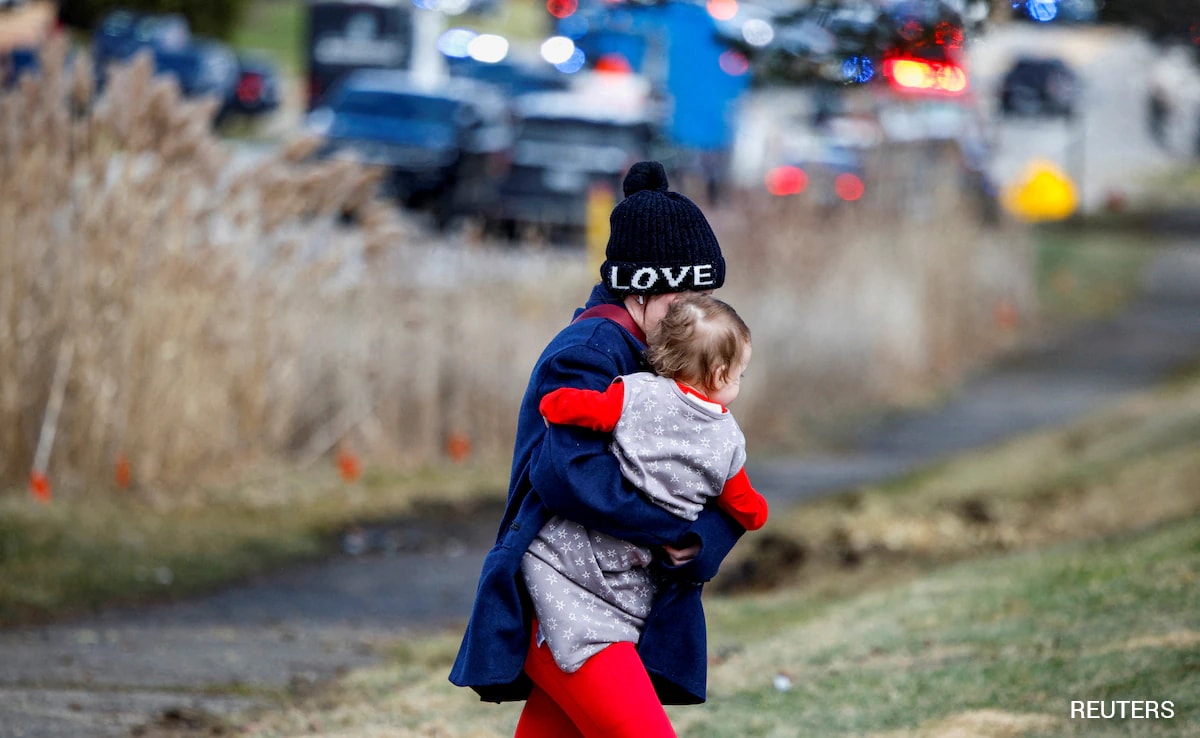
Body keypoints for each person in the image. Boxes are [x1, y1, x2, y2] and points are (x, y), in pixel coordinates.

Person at [450, 161, 751, 738]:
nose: (699, 312)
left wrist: (701, 540)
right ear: (641, 289)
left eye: (704, 295)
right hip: (562, 598)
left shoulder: (668, 355)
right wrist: (670, 527)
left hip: (618, 599)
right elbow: (566, 472)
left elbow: (710, 470)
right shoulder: (587, 352)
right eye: (684, 295)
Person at [526, 292, 768, 676]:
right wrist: (758, 512)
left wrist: (554, 403)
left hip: (575, 557)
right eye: (739, 375)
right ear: (721, 374)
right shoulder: (728, 440)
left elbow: (593, 410)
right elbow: (743, 503)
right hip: (627, 582)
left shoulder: (636, 390)